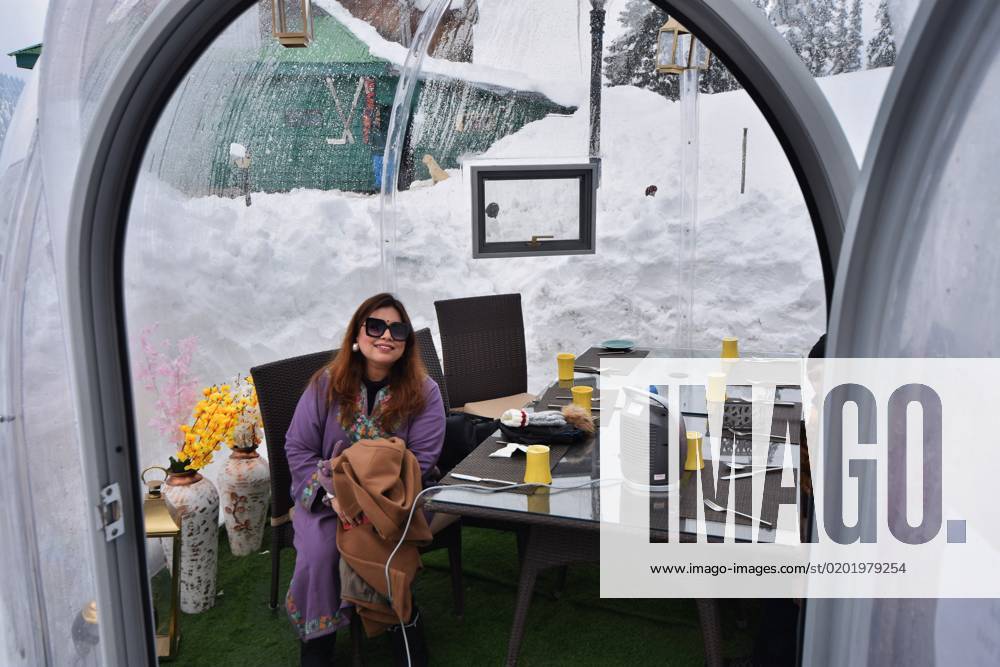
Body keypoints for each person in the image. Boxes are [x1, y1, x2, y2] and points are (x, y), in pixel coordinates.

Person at [284, 293, 445, 667]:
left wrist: (368, 505)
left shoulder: (425, 392)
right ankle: (318, 644)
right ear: (358, 334)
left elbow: (422, 460)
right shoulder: (327, 384)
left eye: (397, 329)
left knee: (379, 543)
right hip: (325, 499)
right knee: (320, 552)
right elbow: (298, 447)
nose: (386, 336)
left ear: (405, 344)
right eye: (376, 326)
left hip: (393, 502)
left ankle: (403, 626)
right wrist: (336, 497)